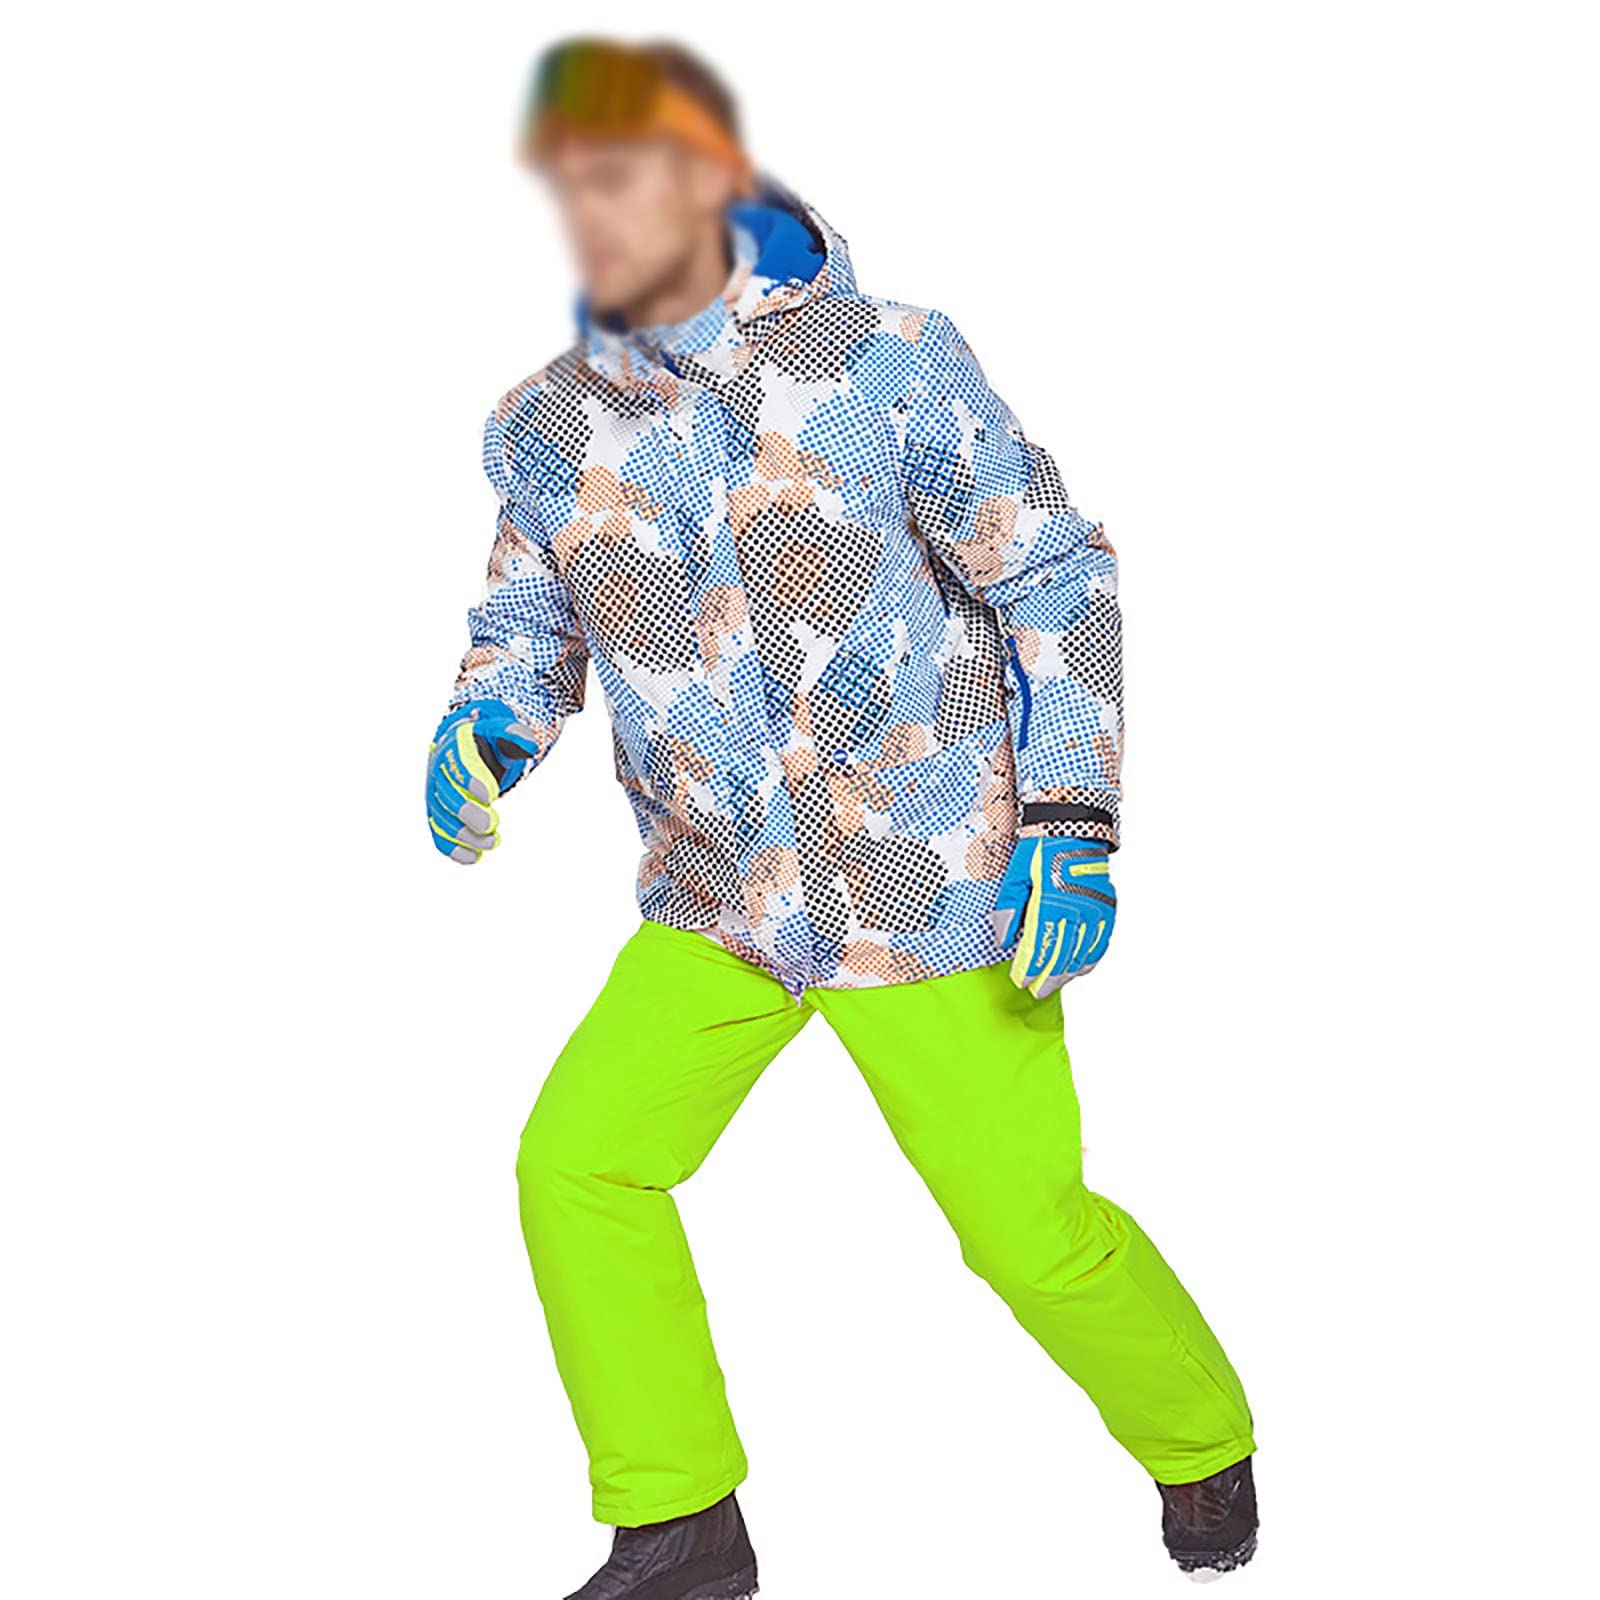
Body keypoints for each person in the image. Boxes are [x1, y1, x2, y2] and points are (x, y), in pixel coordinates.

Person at [425, 37, 1257, 1594]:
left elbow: (1055, 577)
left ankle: (1201, 1437)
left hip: (929, 886)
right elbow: (531, 624)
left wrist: (1071, 820)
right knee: (578, 1163)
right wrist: (488, 720)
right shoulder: (547, 425)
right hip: (720, 899)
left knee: (1024, 1230)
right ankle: (681, 1520)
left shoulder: (890, 363)